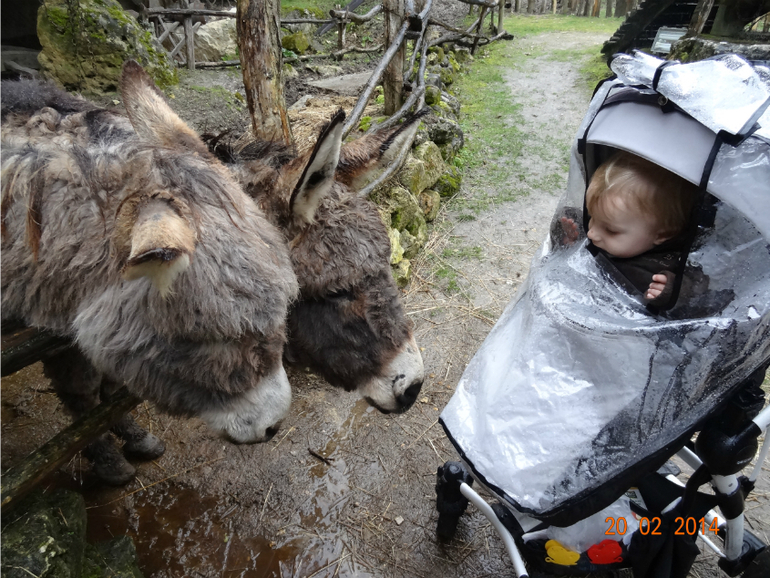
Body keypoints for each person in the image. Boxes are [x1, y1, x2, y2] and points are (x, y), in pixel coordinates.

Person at [559, 151, 698, 306]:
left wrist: (675, 292)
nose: (591, 233)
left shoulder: (667, 266)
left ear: (663, 234)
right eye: (592, 217)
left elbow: (700, 290)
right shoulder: (614, 230)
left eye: (611, 230)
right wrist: (570, 240)